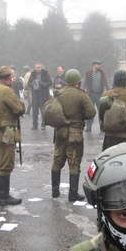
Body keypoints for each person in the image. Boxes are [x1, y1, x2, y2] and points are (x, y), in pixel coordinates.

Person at [50, 69, 96, 201]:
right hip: (75, 133)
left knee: (57, 160)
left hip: (59, 132)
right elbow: (91, 113)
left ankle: (55, 191)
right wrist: (82, 116)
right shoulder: (81, 95)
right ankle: (73, 194)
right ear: (78, 82)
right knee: (74, 162)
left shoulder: (59, 93)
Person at [0, 66, 25, 206]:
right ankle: (4, 196)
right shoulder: (6, 91)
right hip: (6, 132)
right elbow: (19, 108)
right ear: (9, 78)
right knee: (5, 164)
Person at [83, 60, 109, 132]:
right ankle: (88, 126)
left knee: (101, 110)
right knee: (90, 110)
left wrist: (109, 91)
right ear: (94, 65)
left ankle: (102, 126)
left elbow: (107, 83)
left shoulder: (103, 73)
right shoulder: (88, 73)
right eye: (98, 64)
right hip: (91, 94)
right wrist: (82, 90)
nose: (99, 65)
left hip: (100, 94)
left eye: (100, 64)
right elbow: (84, 83)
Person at [26, 62, 52, 130]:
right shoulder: (33, 73)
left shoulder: (45, 73)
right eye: (37, 67)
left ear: (41, 67)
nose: (38, 69)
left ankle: (43, 124)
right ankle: (34, 125)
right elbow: (28, 83)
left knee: (43, 110)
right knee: (35, 110)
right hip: (35, 94)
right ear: (35, 67)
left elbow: (50, 82)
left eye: (39, 67)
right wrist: (33, 84)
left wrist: (42, 84)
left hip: (43, 94)